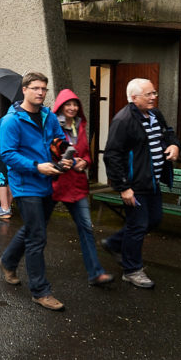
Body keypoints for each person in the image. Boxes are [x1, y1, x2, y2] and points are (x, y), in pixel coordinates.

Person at [0, 72, 70, 312]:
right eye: (36, 88)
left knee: (33, 228)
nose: (41, 92)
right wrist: (36, 166)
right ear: (25, 90)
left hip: (48, 182)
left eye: (44, 89)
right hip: (25, 185)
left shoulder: (48, 116)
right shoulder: (11, 120)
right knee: (37, 236)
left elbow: (59, 140)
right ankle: (41, 291)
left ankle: (8, 260)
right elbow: (7, 155)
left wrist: (67, 157)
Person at [101, 78, 181, 289]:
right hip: (135, 184)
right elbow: (112, 156)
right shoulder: (123, 120)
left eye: (154, 92)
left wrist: (174, 146)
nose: (154, 97)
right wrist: (123, 188)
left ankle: (115, 243)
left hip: (153, 181)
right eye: (149, 94)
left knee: (154, 220)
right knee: (138, 226)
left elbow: (169, 134)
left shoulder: (155, 115)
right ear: (134, 98)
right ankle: (132, 270)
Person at [51, 88, 114, 286]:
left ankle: (96, 272)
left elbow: (86, 154)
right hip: (55, 184)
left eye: (75, 104)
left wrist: (84, 163)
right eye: (68, 104)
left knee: (86, 227)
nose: (72, 108)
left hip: (77, 186)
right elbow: (46, 151)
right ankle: (10, 260)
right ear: (60, 106)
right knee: (34, 229)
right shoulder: (52, 126)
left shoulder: (81, 126)